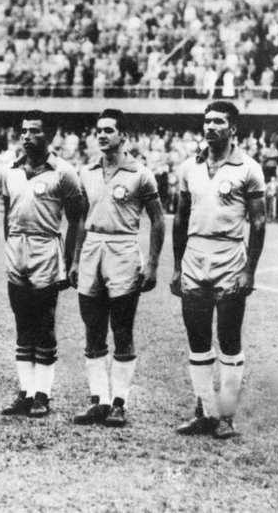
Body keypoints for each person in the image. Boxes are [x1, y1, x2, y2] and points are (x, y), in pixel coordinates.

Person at [170, 101, 267, 439]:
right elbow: (180, 220)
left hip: (229, 257)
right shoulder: (188, 169)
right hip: (195, 256)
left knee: (228, 338)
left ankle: (225, 415)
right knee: (197, 339)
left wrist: (249, 271)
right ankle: (204, 412)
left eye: (218, 122)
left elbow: (258, 221)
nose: (210, 127)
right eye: (207, 121)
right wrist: (176, 266)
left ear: (233, 129)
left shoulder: (249, 168)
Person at [68, 109, 165, 427]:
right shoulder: (87, 172)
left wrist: (151, 264)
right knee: (93, 330)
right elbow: (81, 219)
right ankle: (99, 400)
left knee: (122, 330)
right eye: (98, 130)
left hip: (123, 250)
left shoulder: (140, 174)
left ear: (123, 136)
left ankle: (119, 403)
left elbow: (158, 219)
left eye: (109, 130)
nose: (102, 135)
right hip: (92, 250)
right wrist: (74, 258)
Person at [0, 110, 83, 418]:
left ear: (50, 135)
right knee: (22, 322)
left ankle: (42, 395)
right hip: (16, 248)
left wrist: (70, 260)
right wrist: (10, 245)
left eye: (34, 131)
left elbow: (76, 219)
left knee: (44, 323)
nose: (27, 136)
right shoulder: (10, 170)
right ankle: (25, 392)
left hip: (46, 247)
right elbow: (7, 213)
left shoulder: (63, 172)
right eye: (23, 131)